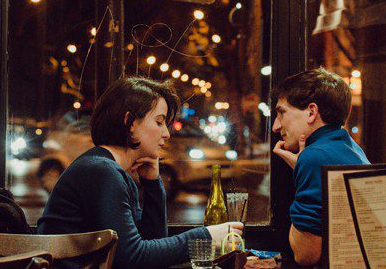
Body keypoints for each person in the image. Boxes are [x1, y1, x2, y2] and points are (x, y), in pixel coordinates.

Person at [38, 77, 242, 268]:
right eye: (159, 122)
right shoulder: (102, 171)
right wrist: (206, 236)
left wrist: (152, 183)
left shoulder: (110, 170)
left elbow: (153, 245)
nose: (166, 134)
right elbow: (132, 258)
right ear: (131, 123)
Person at [271, 68, 386, 267]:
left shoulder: (314, 156)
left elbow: (305, 254)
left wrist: (303, 169)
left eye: (281, 113)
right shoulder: (346, 146)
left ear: (311, 112)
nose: (275, 126)